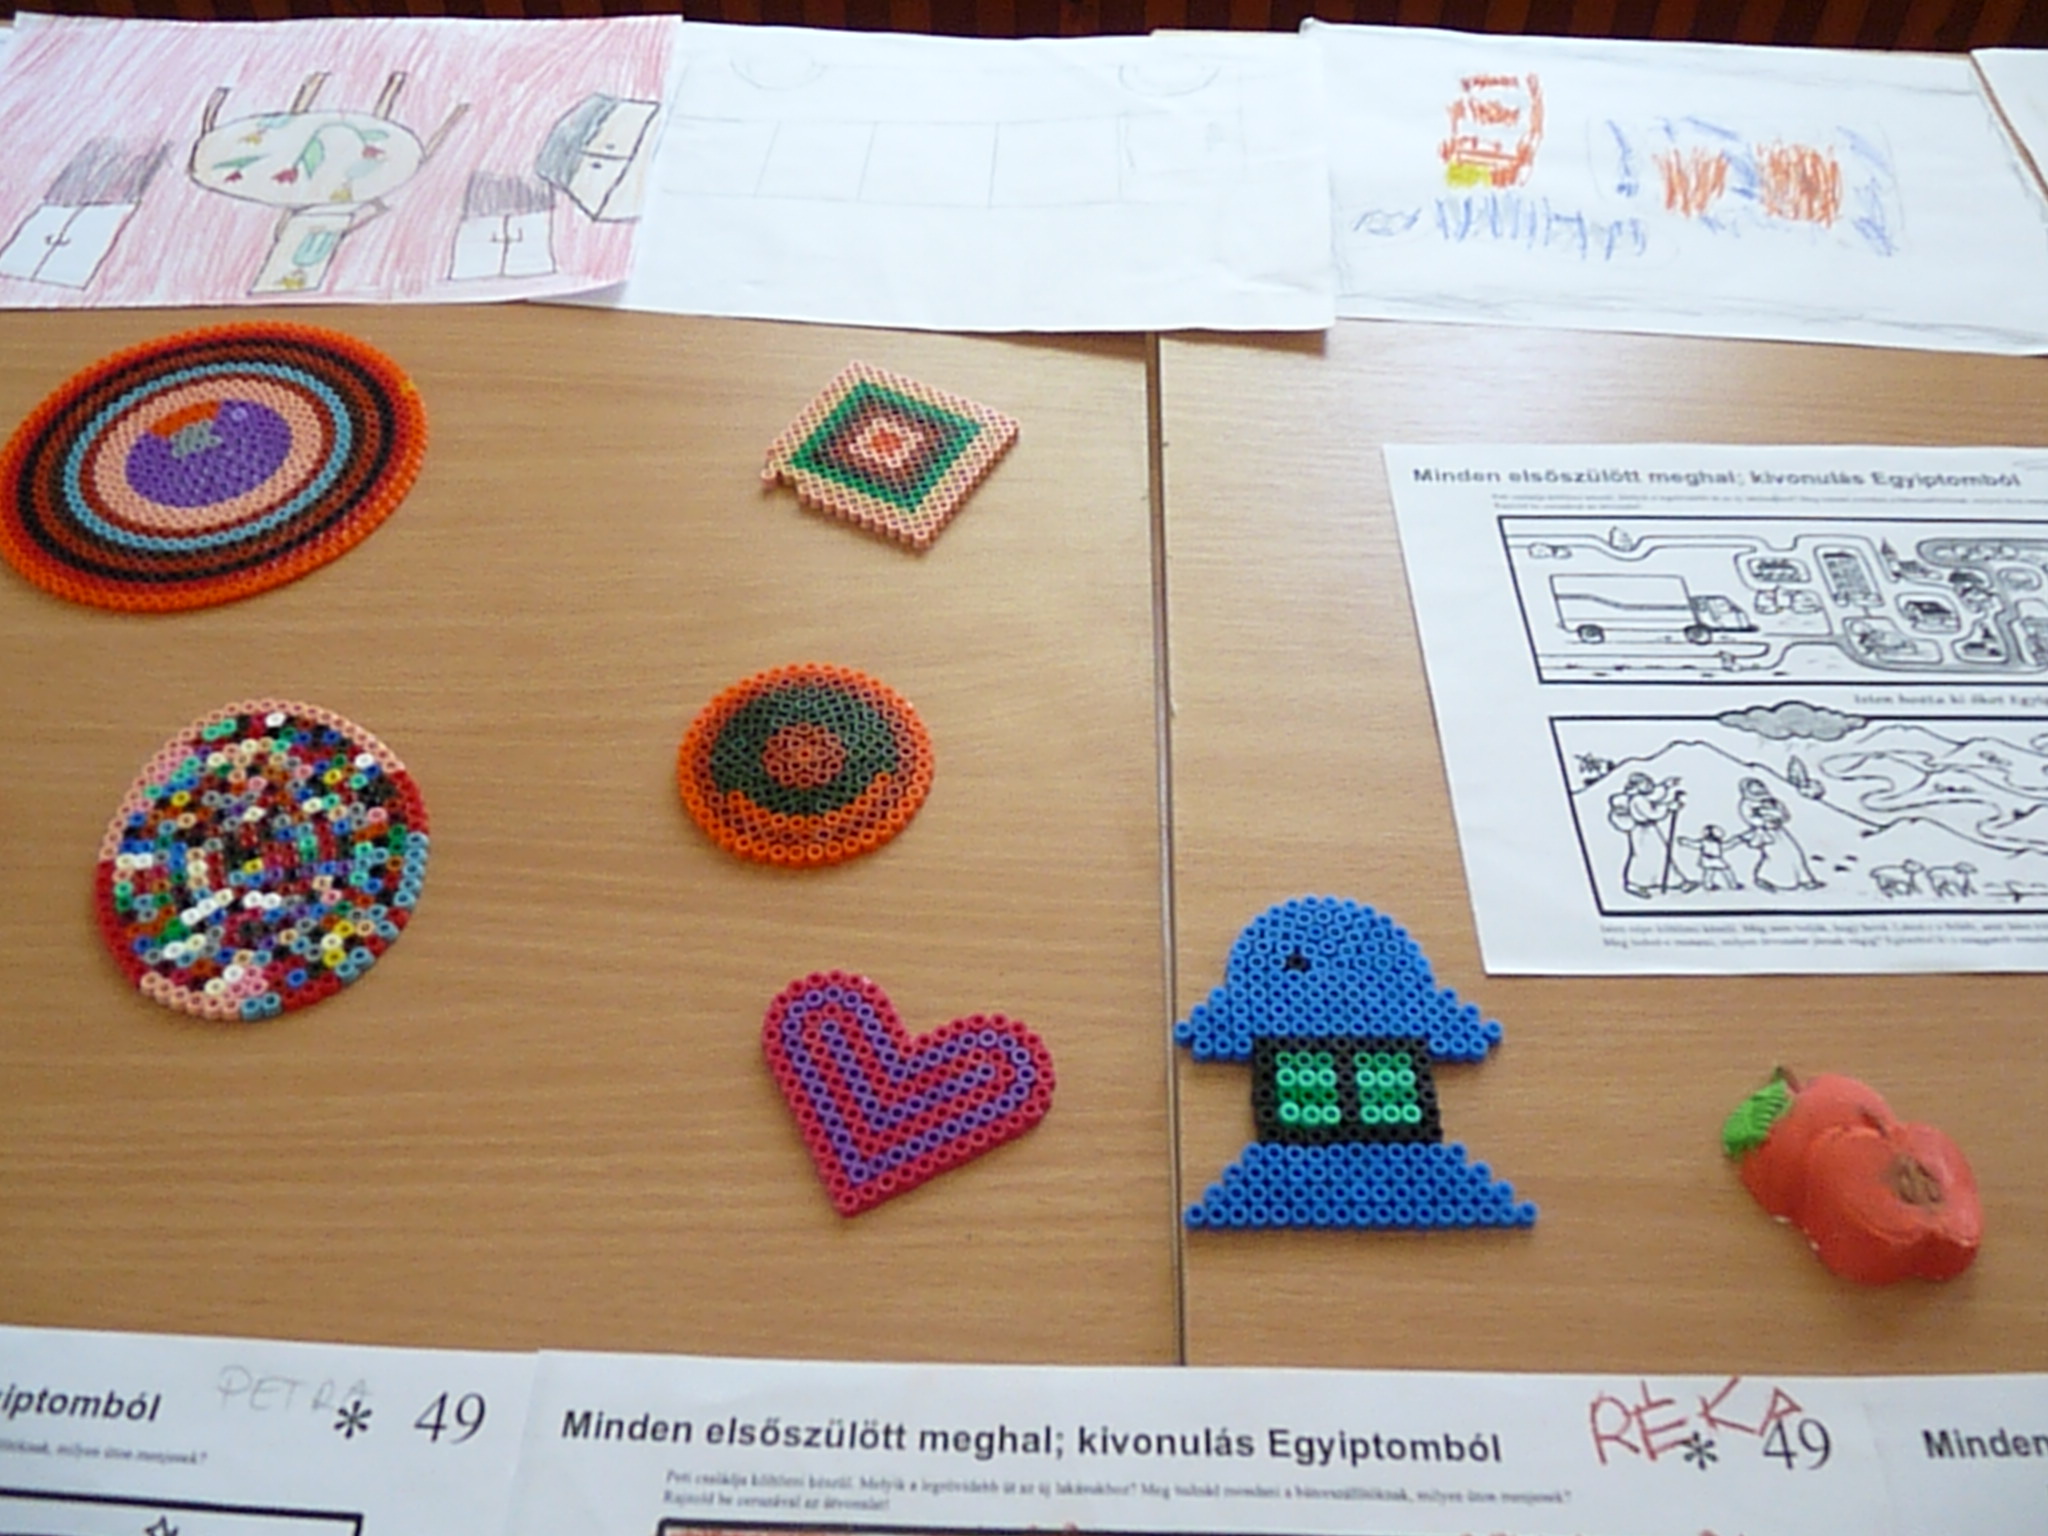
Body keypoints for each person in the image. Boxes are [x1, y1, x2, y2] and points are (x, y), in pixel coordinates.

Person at [1608, 772, 1694, 896]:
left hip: (1649, 830)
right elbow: (1652, 813)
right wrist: (1669, 807)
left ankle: (1673, 881)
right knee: (1644, 856)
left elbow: (1655, 795)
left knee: (1661, 854)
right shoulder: (1637, 800)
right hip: (1643, 832)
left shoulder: (1642, 796)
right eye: (1645, 783)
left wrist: (1667, 785)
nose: (1648, 785)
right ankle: (1635, 883)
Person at [1734, 779, 1822, 892]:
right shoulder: (1747, 803)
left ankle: (1805, 879)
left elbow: (1785, 815)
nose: (1759, 792)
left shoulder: (1773, 801)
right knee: (1776, 855)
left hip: (1779, 830)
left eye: (1760, 788)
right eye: (1755, 790)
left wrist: (1777, 816)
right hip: (1766, 833)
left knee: (1794, 853)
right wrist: (1764, 821)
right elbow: (1751, 818)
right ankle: (1768, 878)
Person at [1678, 824, 1742, 891]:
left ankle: (1709, 885)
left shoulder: (1707, 843)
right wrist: (1737, 840)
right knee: (1725, 870)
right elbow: (1728, 845)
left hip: (1708, 860)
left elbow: (1694, 844)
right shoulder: (1713, 843)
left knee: (1709, 872)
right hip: (1715, 860)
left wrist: (1684, 841)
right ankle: (1733, 885)